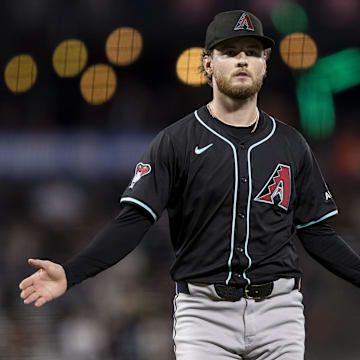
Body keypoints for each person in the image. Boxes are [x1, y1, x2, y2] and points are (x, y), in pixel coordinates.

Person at [19, 10, 360, 360]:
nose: (242, 60)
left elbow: (318, 233)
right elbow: (133, 222)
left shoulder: (291, 144)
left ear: (264, 64)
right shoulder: (176, 142)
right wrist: (71, 273)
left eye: (252, 52)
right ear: (208, 64)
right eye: (230, 52)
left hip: (279, 311)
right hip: (204, 314)